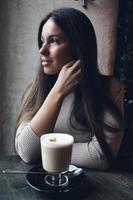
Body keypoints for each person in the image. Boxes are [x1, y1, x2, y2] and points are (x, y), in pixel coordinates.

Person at [15, 7, 124, 170]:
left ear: (78, 46)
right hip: (41, 186)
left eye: (54, 41)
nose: (42, 50)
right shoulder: (35, 90)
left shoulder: (111, 88)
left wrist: (45, 151)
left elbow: (102, 155)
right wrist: (58, 92)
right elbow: (27, 152)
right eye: (42, 41)